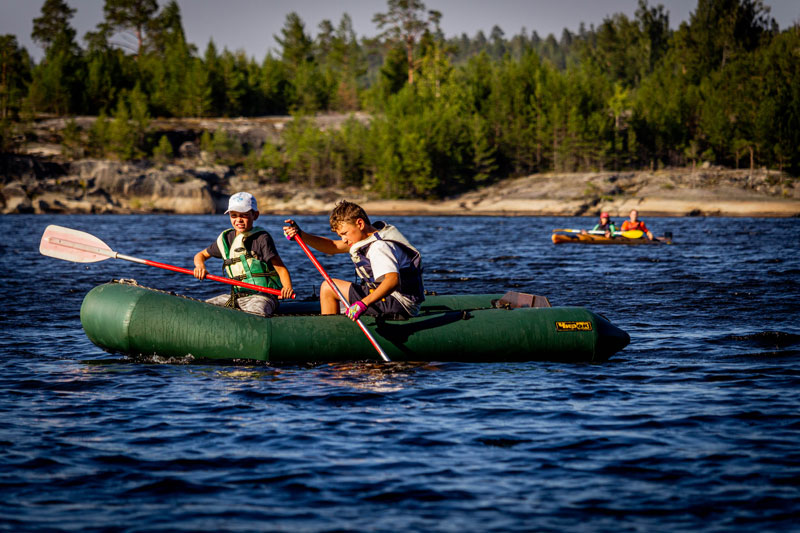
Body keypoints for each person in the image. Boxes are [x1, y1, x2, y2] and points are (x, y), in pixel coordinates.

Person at [283, 200, 424, 321]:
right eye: (340, 235)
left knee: (328, 287)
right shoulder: (366, 237)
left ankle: (328, 334)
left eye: (344, 233)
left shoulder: (379, 247)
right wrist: (301, 235)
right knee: (338, 298)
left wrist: (363, 303)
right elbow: (332, 246)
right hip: (395, 300)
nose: (343, 239)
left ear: (360, 224)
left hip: (399, 303)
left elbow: (392, 281)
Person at [193, 191, 294, 316]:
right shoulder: (226, 239)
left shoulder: (262, 238)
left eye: (244, 215)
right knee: (203, 307)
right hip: (237, 297)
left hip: (263, 296)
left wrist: (287, 288)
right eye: (234, 216)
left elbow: (281, 268)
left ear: (255, 215)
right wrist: (200, 266)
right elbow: (200, 255)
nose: (238, 220)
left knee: (254, 312)